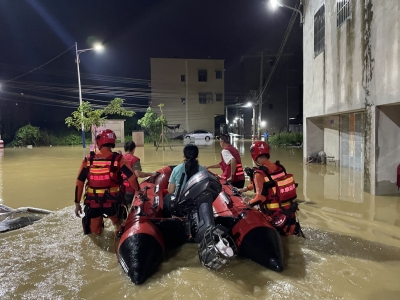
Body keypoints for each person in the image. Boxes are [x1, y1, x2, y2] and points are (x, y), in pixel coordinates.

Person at [74, 129, 139, 235]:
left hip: (93, 202)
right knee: (118, 225)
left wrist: (77, 203)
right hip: (112, 202)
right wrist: (138, 190)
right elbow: (131, 177)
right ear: (113, 142)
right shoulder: (118, 159)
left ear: (99, 141)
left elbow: (79, 182)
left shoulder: (88, 159)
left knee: (95, 233)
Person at [241, 141, 303, 237]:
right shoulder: (280, 167)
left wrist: (246, 205)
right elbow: (270, 184)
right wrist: (245, 189)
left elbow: (260, 198)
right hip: (290, 213)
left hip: (276, 216)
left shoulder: (259, 173)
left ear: (254, 155)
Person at [122, 141, 157, 206]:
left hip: (120, 188)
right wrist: (151, 174)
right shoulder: (134, 159)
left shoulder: (119, 158)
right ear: (134, 149)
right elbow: (138, 174)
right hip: (130, 188)